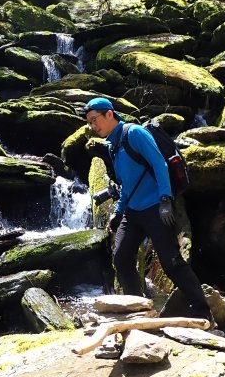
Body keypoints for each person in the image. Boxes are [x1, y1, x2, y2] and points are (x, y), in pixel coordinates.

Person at [84, 96, 213, 323]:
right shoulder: (112, 146)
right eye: (90, 123)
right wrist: (118, 211)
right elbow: (127, 184)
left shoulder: (134, 133)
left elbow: (159, 164)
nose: (94, 126)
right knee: (122, 258)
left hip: (156, 207)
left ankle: (202, 310)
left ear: (110, 114)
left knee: (171, 262)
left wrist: (165, 199)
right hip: (133, 212)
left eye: (95, 120)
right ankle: (137, 310)